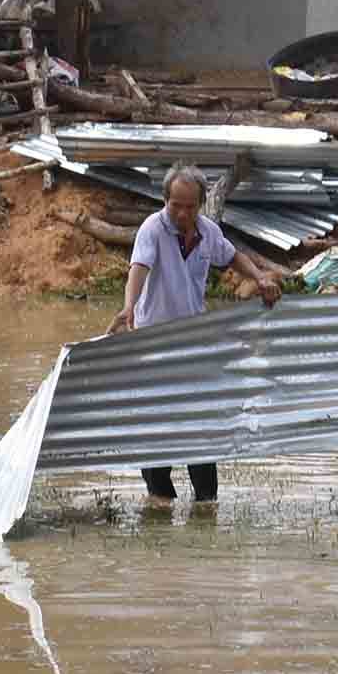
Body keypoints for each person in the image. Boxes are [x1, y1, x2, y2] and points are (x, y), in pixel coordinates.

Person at [110, 167, 283, 502]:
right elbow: (139, 268)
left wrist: (259, 278)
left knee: (202, 427)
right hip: (155, 345)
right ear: (166, 201)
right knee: (158, 427)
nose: (182, 213)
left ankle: (206, 504)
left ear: (202, 204)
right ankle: (160, 499)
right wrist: (128, 306)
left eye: (190, 206)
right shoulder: (152, 229)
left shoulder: (208, 231)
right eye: (176, 205)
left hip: (194, 344)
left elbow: (232, 256)